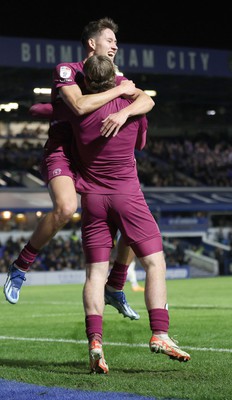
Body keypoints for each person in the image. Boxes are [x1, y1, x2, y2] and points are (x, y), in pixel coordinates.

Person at [3, 17, 154, 323]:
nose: (115, 45)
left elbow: (145, 100)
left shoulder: (116, 74)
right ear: (92, 43)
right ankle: (21, 266)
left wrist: (125, 109)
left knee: (134, 221)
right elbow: (80, 107)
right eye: (109, 39)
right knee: (66, 207)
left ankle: (116, 284)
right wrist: (120, 91)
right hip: (63, 151)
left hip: (94, 153)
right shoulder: (67, 69)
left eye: (116, 41)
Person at [64, 55, 190, 373]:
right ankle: (160, 332)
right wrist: (126, 102)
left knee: (94, 274)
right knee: (155, 263)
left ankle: (95, 342)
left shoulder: (78, 113)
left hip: (92, 199)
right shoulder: (131, 110)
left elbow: (71, 105)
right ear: (116, 81)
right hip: (127, 196)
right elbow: (145, 113)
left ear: (89, 82)